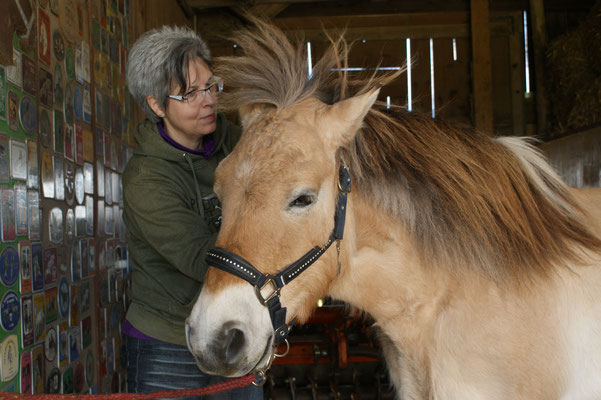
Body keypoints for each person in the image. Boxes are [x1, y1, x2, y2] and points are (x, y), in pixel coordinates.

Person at [123, 26, 262, 399]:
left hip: (233, 327)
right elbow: (198, 257)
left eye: (210, 86)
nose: (209, 101)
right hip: (167, 341)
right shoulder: (146, 178)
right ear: (156, 105)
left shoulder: (236, 142)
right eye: (189, 93)